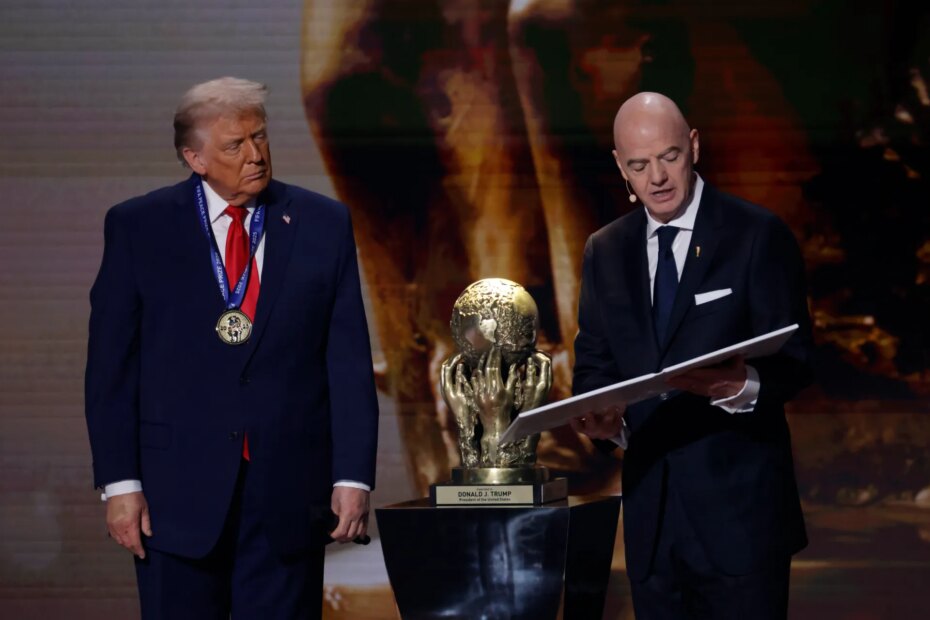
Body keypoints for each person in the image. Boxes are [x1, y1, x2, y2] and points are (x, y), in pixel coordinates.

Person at [84, 77, 379, 619]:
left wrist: (352, 476)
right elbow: (111, 370)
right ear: (194, 158)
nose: (255, 156)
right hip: (174, 497)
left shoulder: (323, 223)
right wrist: (120, 484)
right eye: (234, 146)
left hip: (288, 494)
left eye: (259, 137)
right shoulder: (139, 227)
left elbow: (348, 362)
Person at [571, 92, 813, 619]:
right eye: (639, 165)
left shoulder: (755, 234)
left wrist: (741, 386)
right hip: (653, 528)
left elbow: (797, 358)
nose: (657, 177)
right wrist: (603, 421)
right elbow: (592, 367)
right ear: (621, 167)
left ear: (694, 146)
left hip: (742, 523)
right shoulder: (605, 250)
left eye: (669, 156)